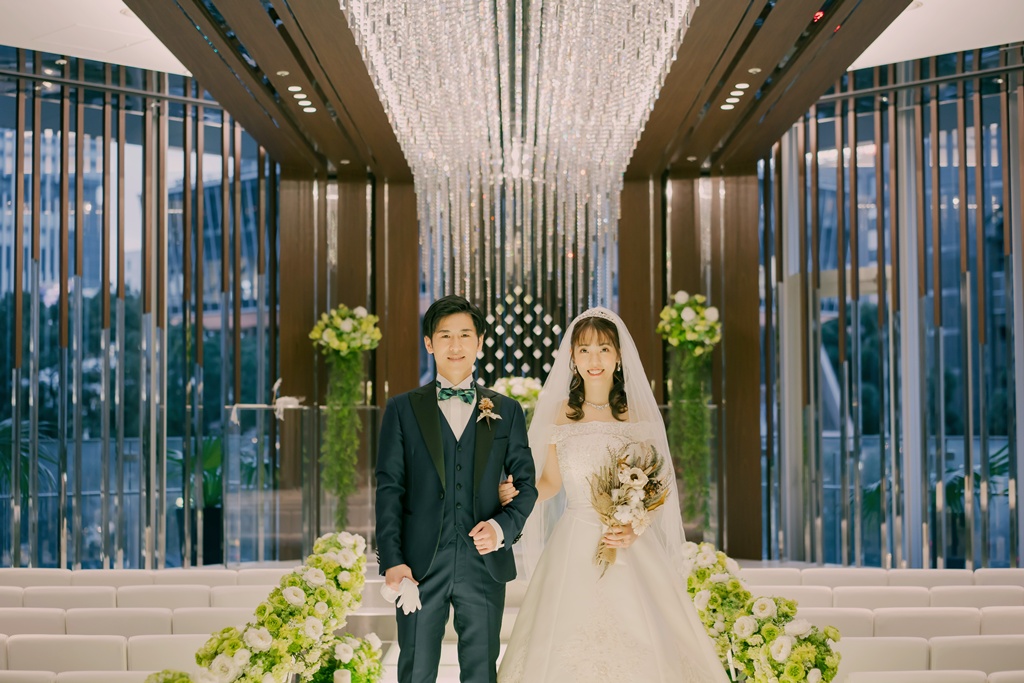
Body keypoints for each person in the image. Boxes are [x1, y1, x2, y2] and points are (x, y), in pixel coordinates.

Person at [496, 307, 729, 682]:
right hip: (574, 536)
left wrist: (636, 527)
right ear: (572, 358)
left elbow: (656, 486)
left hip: (628, 539)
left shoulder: (635, 415)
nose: (594, 360)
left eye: (603, 349)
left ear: (618, 356)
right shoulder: (559, 414)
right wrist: (518, 494)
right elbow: (550, 482)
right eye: (585, 350)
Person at [375, 295, 538, 683]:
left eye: (465, 335)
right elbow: (389, 488)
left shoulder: (507, 410)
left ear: (479, 342)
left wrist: (500, 528)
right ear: (429, 343)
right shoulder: (402, 409)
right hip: (418, 565)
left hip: (484, 563)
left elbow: (527, 484)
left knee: (481, 670)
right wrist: (393, 560)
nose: (455, 345)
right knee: (415, 669)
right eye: (445, 335)